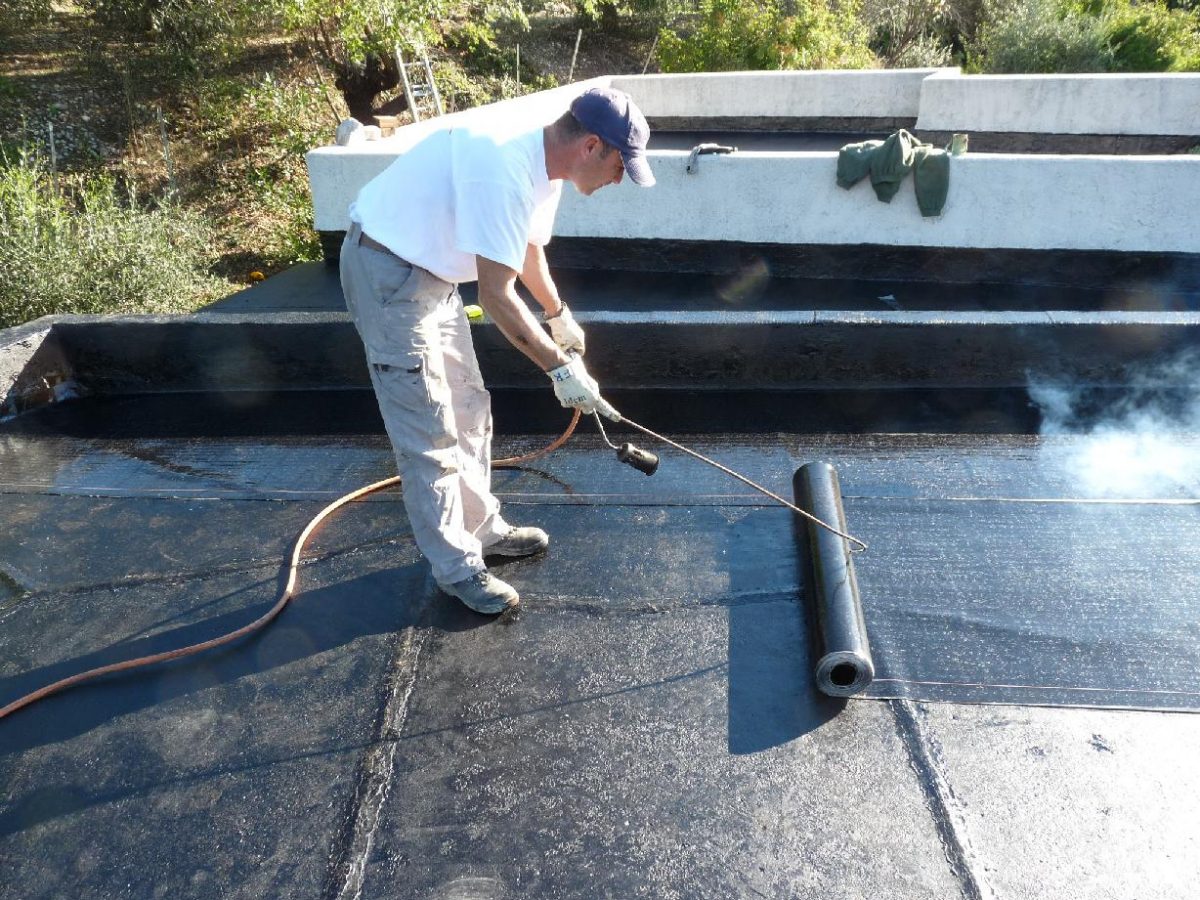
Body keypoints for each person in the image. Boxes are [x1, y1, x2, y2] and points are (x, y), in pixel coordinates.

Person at [339, 87, 655, 615]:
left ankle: (482, 529)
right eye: (621, 166)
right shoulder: (504, 165)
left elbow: (525, 248)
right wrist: (561, 370)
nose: (619, 179)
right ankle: (457, 568)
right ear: (592, 146)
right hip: (387, 272)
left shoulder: (545, 166)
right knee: (429, 428)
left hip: (433, 277)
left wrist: (558, 315)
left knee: (468, 406)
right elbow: (495, 295)